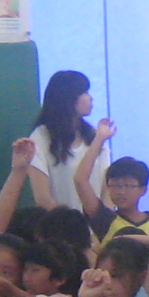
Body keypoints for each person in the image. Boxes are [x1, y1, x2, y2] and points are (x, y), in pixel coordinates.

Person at [27, 68, 103, 213]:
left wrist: (106, 226)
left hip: (99, 229)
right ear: (69, 97)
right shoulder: (41, 138)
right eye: (85, 93)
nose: (91, 98)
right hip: (62, 228)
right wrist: (71, 224)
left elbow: (106, 188)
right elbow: (42, 197)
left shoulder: (95, 136)